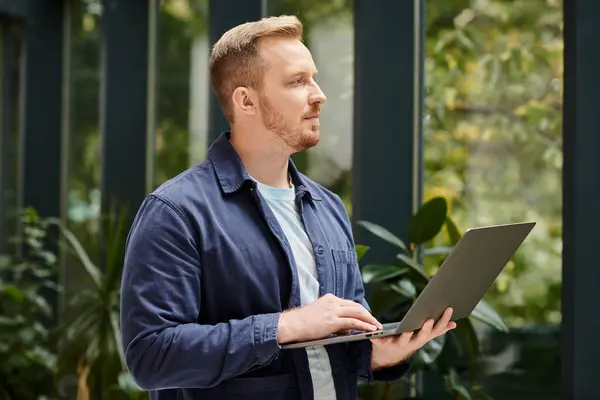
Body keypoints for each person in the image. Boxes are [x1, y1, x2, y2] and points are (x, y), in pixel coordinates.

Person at [120, 15, 456, 400]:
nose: (319, 94)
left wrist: (381, 354)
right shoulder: (176, 212)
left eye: (313, 78)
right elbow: (151, 356)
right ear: (246, 100)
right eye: (298, 81)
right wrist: (283, 326)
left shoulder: (327, 208)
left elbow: (341, 345)